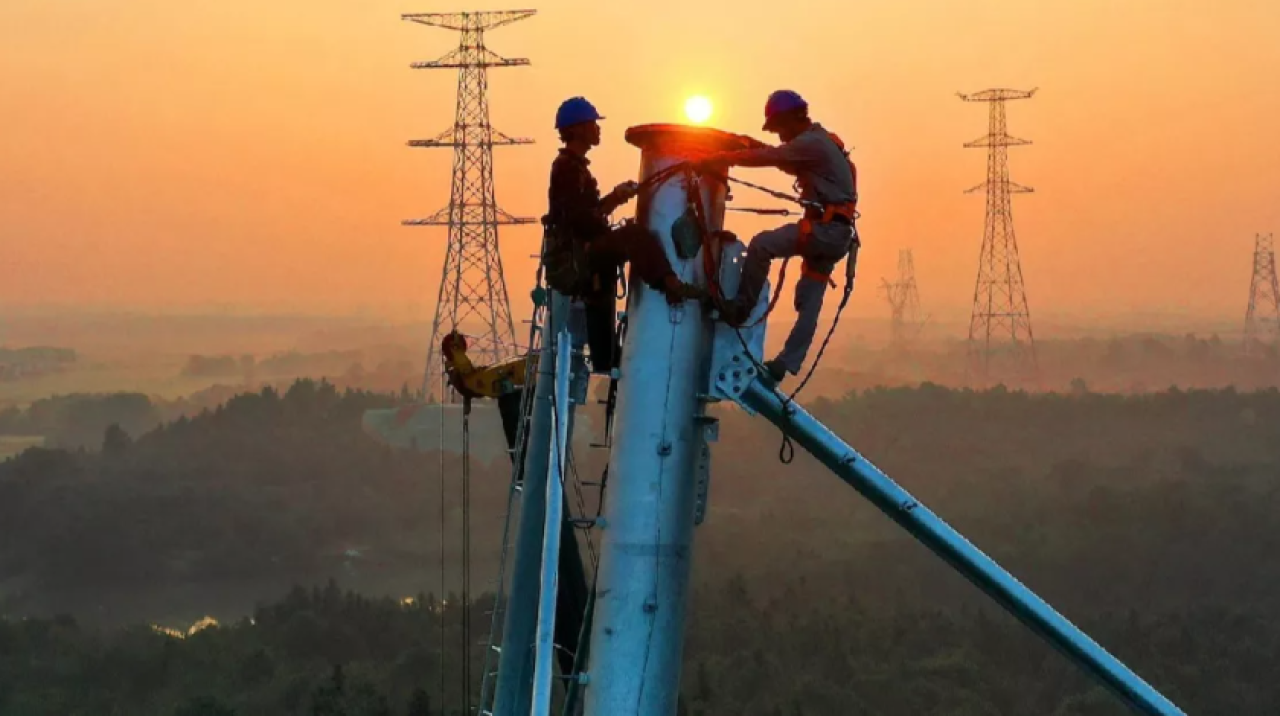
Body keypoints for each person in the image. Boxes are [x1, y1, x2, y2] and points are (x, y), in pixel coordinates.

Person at [693, 89, 858, 383]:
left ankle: (739, 310)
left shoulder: (812, 144)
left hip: (825, 231)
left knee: (762, 245)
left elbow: (771, 157)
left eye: (779, 129)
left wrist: (718, 158)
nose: (780, 136)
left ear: (791, 119)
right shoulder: (818, 143)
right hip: (835, 234)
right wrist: (748, 145)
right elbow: (781, 158)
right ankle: (785, 364)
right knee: (810, 302)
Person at [542, 96, 702, 373]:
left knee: (599, 295)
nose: (597, 129)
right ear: (578, 128)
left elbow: (583, 215)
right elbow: (579, 219)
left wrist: (615, 200)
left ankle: (607, 359)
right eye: (592, 124)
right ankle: (670, 283)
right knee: (635, 236)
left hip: (581, 252)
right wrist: (615, 201)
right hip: (577, 254)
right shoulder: (567, 168)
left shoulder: (574, 166)